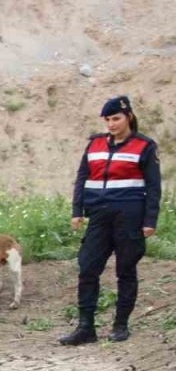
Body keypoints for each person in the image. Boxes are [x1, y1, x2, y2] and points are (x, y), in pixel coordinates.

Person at [61, 95, 162, 345]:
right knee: (87, 268)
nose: (111, 124)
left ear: (128, 117)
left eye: (116, 118)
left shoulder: (144, 146)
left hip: (129, 216)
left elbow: (154, 186)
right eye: (107, 120)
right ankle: (86, 327)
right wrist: (77, 211)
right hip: (98, 215)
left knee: (125, 270)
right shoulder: (95, 144)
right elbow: (82, 177)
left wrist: (150, 220)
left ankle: (120, 325)